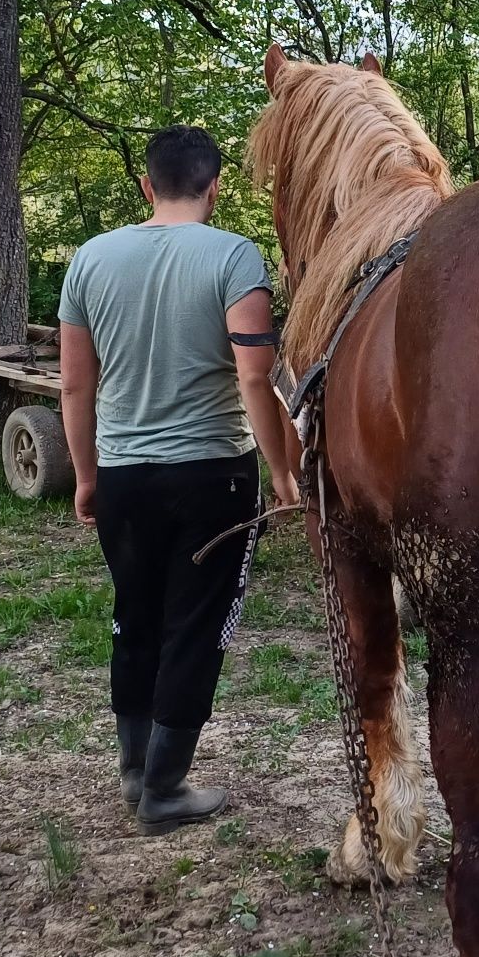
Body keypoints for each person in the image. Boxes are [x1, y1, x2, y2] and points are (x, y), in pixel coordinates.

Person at [58, 125, 301, 833]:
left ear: (146, 185)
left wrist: (86, 475)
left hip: (124, 478)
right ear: (215, 187)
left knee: (135, 615)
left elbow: (75, 387)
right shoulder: (235, 257)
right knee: (195, 625)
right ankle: (165, 789)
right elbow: (256, 377)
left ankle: (136, 773)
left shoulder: (91, 259)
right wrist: (282, 474)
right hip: (213, 479)